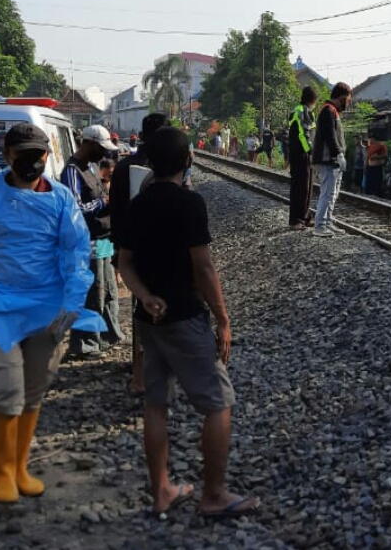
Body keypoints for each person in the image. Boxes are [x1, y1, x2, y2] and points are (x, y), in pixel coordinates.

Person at [0, 123, 104, 503]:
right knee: (6, 390)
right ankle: (3, 474)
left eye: (38, 156)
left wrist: (73, 304)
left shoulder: (61, 199)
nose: (32, 163)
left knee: (33, 390)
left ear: (48, 156)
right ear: (7, 156)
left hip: (46, 310)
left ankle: (21, 466)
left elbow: (76, 253)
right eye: (23, 156)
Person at [118, 126, 260, 519]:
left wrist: (144, 296)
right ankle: (213, 494)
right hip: (185, 318)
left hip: (150, 320)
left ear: (148, 161)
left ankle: (162, 491)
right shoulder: (190, 204)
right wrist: (223, 319)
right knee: (218, 404)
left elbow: (124, 264)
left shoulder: (137, 205)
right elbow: (204, 269)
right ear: (187, 160)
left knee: (156, 404)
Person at [110, 113, 170, 396]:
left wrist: (116, 251)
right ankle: (149, 369)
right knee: (159, 308)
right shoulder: (165, 167)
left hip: (128, 250)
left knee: (139, 309)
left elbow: (115, 213)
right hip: (160, 251)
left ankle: (139, 367)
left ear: (142, 135)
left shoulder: (122, 167)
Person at [61, 125, 125, 358]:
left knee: (108, 288)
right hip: (87, 240)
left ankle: (109, 334)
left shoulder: (92, 166)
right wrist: (103, 204)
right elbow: (75, 207)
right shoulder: (72, 171)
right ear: (88, 144)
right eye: (100, 148)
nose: (104, 154)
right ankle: (84, 344)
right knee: (92, 292)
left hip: (103, 238)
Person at [311, 83, 350, 237]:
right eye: (347, 100)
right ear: (341, 97)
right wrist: (339, 154)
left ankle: (327, 221)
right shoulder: (328, 110)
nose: (348, 103)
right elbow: (330, 135)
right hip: (328, 159)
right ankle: (319, 225)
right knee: (327, 193)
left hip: (333, 160)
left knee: (333, 193)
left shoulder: (332, 111)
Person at [288, 86, 317, 230]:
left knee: (307, 187)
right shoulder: (301, 111)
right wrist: (310, 151)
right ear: (313, 100)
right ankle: (296, 220)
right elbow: (302, 134)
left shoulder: (304, 111)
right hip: (301, 155)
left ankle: (305, 217)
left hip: (302, 154)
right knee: (300, 187)